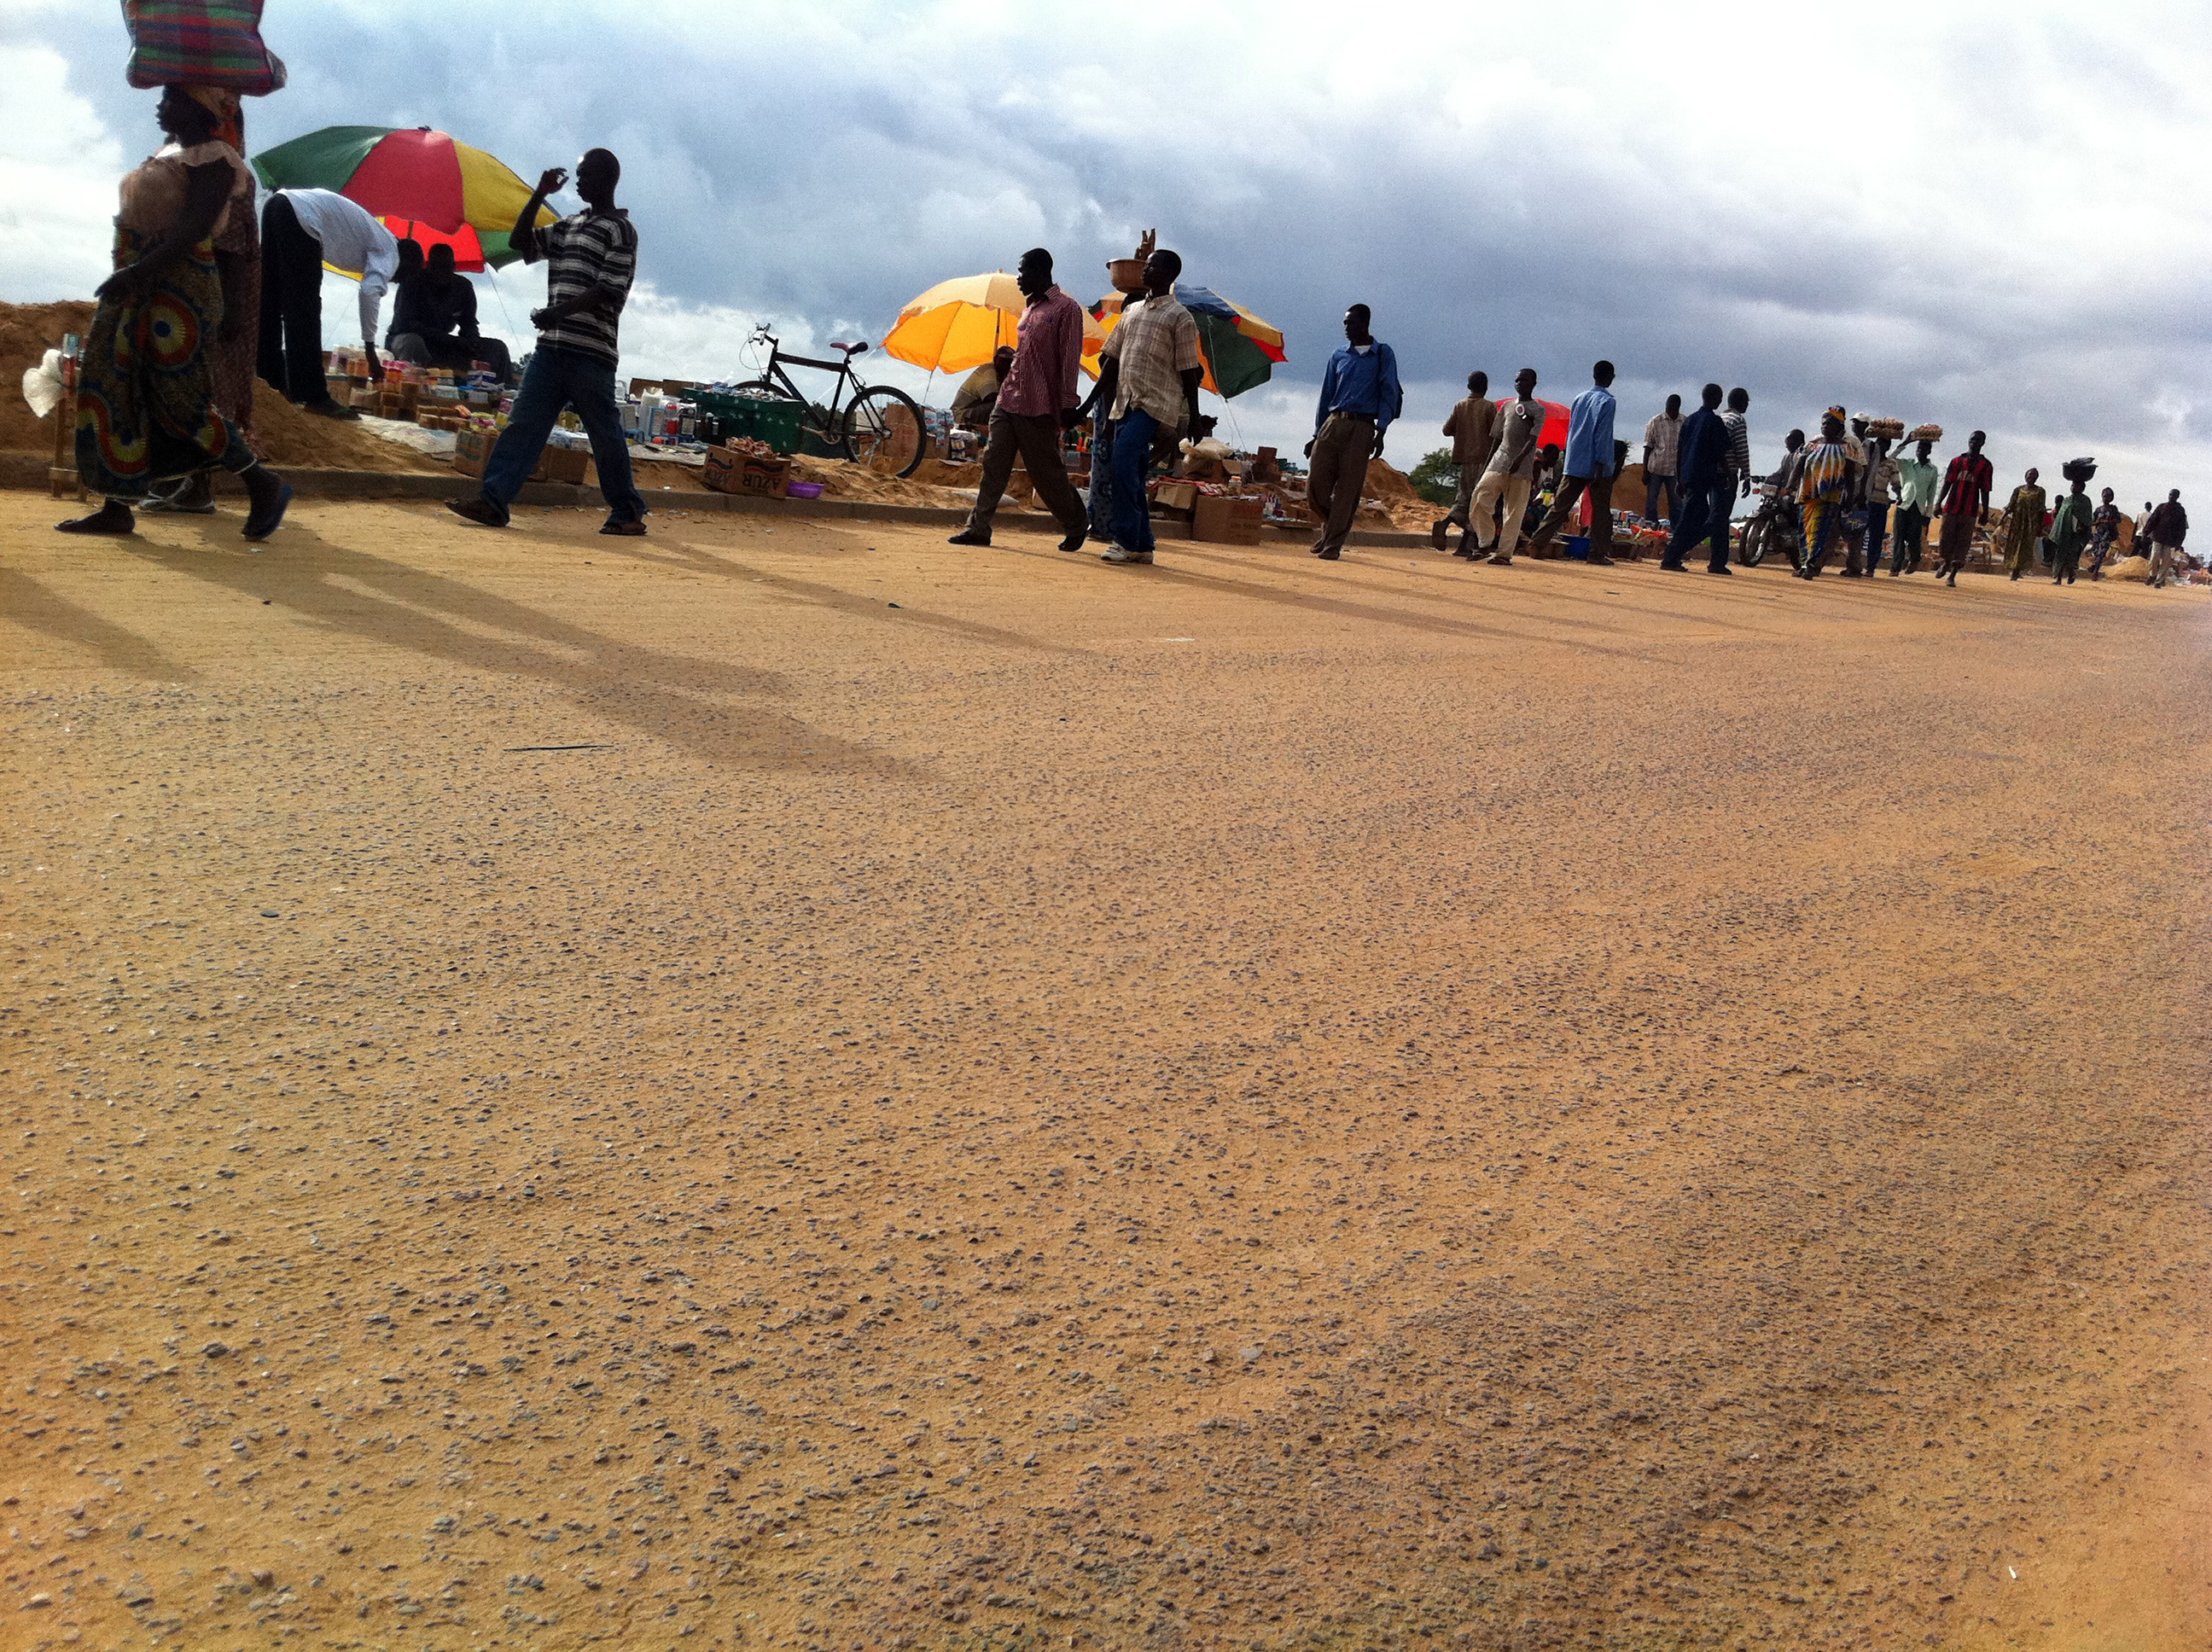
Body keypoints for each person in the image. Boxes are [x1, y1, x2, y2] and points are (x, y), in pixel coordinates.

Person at [59, 84, 291, 541]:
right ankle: (116, 505)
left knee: (179, 395)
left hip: (179, 287)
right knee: (115, 384)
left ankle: (262, 484)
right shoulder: (166, 153)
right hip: (136, 281)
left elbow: (193, 231)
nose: (160, 105)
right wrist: (132, 274)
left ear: (199, 105)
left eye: (171, 98)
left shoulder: (219, 159)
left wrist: (139, 273)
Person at [447, 149, 648, 537]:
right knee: (523, 425)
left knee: (604, 435)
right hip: (552, 350)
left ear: (607, 179)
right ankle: (493, 502)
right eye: (577, 174)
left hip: (592, 352)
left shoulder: (621, 230)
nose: (578, 181)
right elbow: (520, 241)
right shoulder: (570, 225)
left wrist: (557, 313)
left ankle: (627, 510)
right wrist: (538, 194)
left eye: (585, 175)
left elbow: (608, 290)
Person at [946, 248, 1089, 553]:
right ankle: (978, 528)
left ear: (1041, 272)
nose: (1019, 279)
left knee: (1045, 473)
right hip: (1008, 399)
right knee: (993, 465)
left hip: (1039, 406)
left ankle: (1077, 522)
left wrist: (1067, 404)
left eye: (1023, 272)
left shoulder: (1067, 309)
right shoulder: (1028, 309)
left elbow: (1068, 361)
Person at [1082, 246, 1202, 567]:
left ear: (1169, 274)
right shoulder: (1131, 313)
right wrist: (1088, 407)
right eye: (1145, 266)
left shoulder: (1180, 318)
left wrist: (1196, 416)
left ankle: (1123, 539)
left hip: (1155, 405)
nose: (1145, 272)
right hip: (1125, 404)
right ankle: (1143, 544)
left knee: (1122, 464)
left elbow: (1190, 372)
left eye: (1151, 267)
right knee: (1132, 474)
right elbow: (1111, 363)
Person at [259, 187, 396, 421]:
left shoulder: (376, 234)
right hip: (303, 218)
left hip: (277, 205)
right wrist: (371, 349)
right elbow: (370, 291)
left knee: (270, 300)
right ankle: (314, 396)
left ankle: (270, 383)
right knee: (304, 309)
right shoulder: (392, 251)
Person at [1301, 305, 1401, 561]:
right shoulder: (1338, 355)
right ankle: (1331, 528)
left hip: (1363, 427)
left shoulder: (1382, 354)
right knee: (1316, 487)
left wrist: (1381, 431)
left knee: (1348, 489)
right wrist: (1316, 434)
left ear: (1365, 323)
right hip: (1333, 422)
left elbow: (1389, 393)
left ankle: (1333, 543)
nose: (1347, 328)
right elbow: (1326, 395)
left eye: (1351, 323)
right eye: (1345, 323)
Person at [1523, 361, 1621, 565]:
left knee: (1559, 506)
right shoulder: (1608, 402)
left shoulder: (1579, 398)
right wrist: (1601, 464)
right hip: (1597, 464)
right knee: (1601, 512)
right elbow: (1602, 436)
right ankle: (1597, 553)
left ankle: (1537, 543)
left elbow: (1574, 430)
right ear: (1610, 377)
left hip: (1575, 460)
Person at [387, 242, 512, 380]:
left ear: (453, 267)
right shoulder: (412, 282)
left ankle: (499, 391)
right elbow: (406, 325)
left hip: (445, 346)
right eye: (436, 267)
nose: (441, 272)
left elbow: (469, 324)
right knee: (412, 342)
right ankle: (411, 383)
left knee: (497, 348)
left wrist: (472, 342)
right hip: (405, 340)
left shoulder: (464, 287)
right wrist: (451, 340)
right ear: (429, 266)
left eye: (446, 267)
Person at [1464, 367, 1545, 565]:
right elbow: (1496, 438)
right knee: (1480, 497)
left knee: (1514, 512)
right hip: (1499, 461)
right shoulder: (1507, 407)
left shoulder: (1538, 410)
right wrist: (1487, 464)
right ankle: (1484, 543)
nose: (1519, 383)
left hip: (1522, 468)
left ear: (1533, 384)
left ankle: (1503, 554)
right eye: (1517, 380)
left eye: (1524, 380)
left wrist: (1519, 459)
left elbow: (1532, 439)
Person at [1662, 383, 1732, 574]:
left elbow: (1680, 451)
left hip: (1688, 476)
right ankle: (1671, 556)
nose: (1720, 401)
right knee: (1690, 519)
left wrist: (1679, 478)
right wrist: (1728, 474)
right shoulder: (1714, 422)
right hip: (1703, 477)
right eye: (1719, 397)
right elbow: (1721, 453)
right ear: (1714, 398)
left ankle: (1675, 553)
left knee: (1698, 517)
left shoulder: (1690, 420)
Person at [1430, 370, 1498, 555]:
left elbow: (1447, 430)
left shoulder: (1460, 405)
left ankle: (1447, 522)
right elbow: (1495, 434)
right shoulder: (1489, 407)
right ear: (1486, 387)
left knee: (1464, 497)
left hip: (1464, 459)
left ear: (1469, 387)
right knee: (1478, 502)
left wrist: (1463, 433)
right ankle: (1465, 545)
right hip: (1483, 460)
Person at [1794, 407, 1859, 578]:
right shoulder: (1811, 445)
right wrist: (1789, 486)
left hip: (1830, 496)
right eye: (1823, 423)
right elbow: (1798, 467)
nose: (1825, 426)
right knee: (1804, 530)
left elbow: (1850, 476)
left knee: (1820, 532)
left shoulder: (1847, 449)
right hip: (1807, 494)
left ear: (1839, 427)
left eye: (1829, 424)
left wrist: (1850, 497)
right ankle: (1803, 563)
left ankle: (1812, 566)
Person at [1933, 430, 1994, 587]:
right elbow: (1947, 483)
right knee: (1945, 539)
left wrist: (1985, 512)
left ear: (1983, 443)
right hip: (1951, 508)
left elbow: (1985, 490)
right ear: (1968, 441)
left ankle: (1952, 574)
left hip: (1970, 511)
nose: (1974, 442)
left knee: (1963, 542)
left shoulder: (1986, 466)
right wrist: (1938, 503)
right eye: (1972, 439)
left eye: (1978, 440)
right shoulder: (1957, 461)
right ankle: (1946, 562)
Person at [1846, 420, 1896, 576]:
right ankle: (1854, 564)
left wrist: (1899, 497)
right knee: (1857, 534)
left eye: (1886, 444)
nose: (1883, 447)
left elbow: (1896, 483)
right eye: (1881, 443)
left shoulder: (1891, 463)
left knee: (1876, 536)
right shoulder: (1866, 456)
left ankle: (1871, 567)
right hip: (1864, 500)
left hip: (1880, 502)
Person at [1890, 438, 1938, 575]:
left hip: (1918, 508)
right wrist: (1906, 442)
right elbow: (1890, 456)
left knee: (1914, 538)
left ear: (1929, 451)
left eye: (1923, 448)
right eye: (1918, 447)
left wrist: (1928, 514)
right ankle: (1895, 568)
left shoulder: (1932, 470)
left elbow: (1931, 493)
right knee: (1898, 537)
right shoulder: (1907, 464)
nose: (1920, 450)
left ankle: (1915, 559)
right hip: (1904, 504)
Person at [1997, 468, 2046, 581]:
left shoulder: (2040, 491)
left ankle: (2017, 570)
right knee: (2015, 544)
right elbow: (2010, 506)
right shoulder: (2018, 490)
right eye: (2030, 475)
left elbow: (2041, 509)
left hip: (2030, 524)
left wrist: (2040, 525)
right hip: (2017, 523)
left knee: (2025, 547)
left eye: (2034, 475)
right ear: (2025, 476)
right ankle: (2015, 569)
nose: (2032, 477)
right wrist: (2002, 517)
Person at [951, 345, 1013, 432]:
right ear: (996, 359)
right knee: (998, 407)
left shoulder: (1002, 375)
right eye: (1003, 361)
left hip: (975, 410)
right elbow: (991, 396)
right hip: (962, 415)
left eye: (1009, 362)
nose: (1006, 365)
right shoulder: (988, 371)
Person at [1642, 393, 1683, 525]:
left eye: (1673, 409)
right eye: (1669, 408)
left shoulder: (1684, 422)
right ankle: (1651, 527)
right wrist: (1645, 472)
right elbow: (1648, 447)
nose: (1671, 411)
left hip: (1674, 470)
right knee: (1652, 501)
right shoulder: (1655, 421)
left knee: (1676, 502)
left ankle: (1675, 530)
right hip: (1656, 468)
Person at [2047, 474, 2092, 585]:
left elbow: (2087, 517)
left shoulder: (2085, 501)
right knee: (2060, 554)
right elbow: (2060, 517)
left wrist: (2083, 529)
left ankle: (2071, 572)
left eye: (2076, 485)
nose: (2073, 487)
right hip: (2064, 532)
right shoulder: (2067, 500)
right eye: (2072, 485)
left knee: (2071, 555)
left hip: (2076, 533)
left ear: (2082, 488)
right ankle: (2058, 578)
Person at [2144, 489, 2189, 588]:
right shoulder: (2162, 507)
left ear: (2177, 497)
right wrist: (2146, 532)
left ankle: (2159, 581)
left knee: (2166, 562)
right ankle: (2152, 575)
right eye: (2170, 495)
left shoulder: (2180, 510)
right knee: (2154, 558)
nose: (2171, 497)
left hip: (2171, 541)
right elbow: (2153, 520)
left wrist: (2179, 543)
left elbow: (2182, 528)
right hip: (2158, 537)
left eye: (2174, 495)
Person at [2087, 487, 2122, 579]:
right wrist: (2098, 522)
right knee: (2095, 550)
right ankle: (2095, 565)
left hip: (2108, 533)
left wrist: (2109, 521)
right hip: (2098, 533)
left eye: (2108, 497)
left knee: (2102, 552)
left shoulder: (2113, 509)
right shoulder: (2098, 510)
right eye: (2104, 496)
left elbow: (2118, 520)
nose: (2105, 499)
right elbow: (2092, 521)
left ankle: (2095, 571)